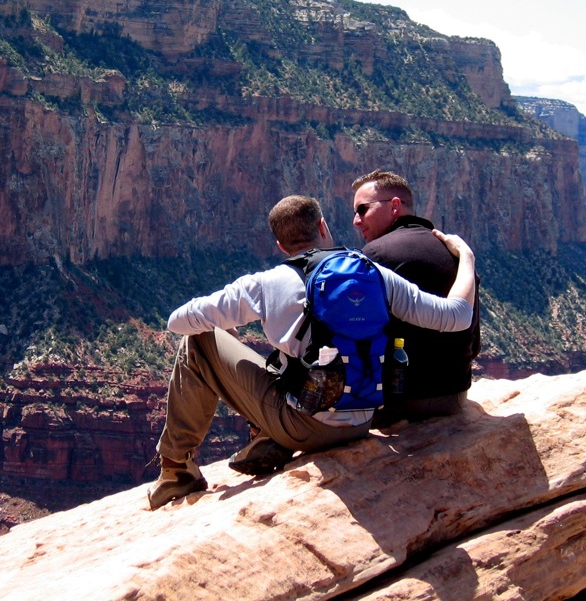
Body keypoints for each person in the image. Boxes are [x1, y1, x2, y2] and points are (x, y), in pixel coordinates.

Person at [148, 194, 477, 509]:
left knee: (198, 341)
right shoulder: (372, 274)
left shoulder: (264, 283)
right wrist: (466, 258)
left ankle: (177, 471)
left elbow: (177, 321)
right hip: (364, 419)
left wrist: (224, 326)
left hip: (307, 426)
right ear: (323, 227)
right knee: (286, 360)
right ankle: (266, 438)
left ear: (280, 245)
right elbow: (457, 317)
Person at [351, 169, 481, 424]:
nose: (356, 220)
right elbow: (473, 344)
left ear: (395, 206)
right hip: (454, 397)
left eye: (362, 209)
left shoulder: (375, 256)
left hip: (398, 403)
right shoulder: (455, 253)